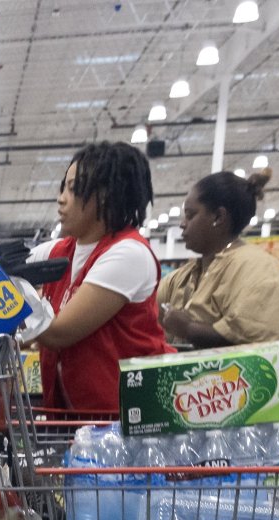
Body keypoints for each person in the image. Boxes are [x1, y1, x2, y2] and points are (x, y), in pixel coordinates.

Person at [22, 142, 172, 412]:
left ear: (105, 195)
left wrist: (8, 294)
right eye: (63, 187)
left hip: (126, 421)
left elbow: (58, 333)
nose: (61, 198)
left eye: (73, 188)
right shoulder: (61, 251)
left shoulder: (129, 254)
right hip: (79, 421)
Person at [159, 169, 279, 347]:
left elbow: (257, 343)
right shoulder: (183, 276)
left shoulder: (260, 269)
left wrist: (189, 329)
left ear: (218, 216)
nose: (183, 224)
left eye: (191, 215)